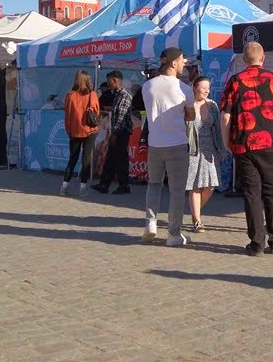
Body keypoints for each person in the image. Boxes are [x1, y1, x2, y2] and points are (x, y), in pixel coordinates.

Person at [221, 42, 273, 256]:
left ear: (244, 59)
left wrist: (226, 142)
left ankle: (257, 243)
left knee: (252, 194)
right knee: (272, 192)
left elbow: (225, 115)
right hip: (271, 144)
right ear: (264, 58)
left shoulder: (235, 81)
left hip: (244, 144)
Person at [139, 48, 195, 247]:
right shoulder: (184, 88)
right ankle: (173, 233)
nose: (184, 64)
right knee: (177, 191)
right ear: (172, 63)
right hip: (177, 143)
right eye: (181, 61)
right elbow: (191, 116)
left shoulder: (148, 86)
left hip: (155, 143)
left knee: (153, 184)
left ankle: (151, 222)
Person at [187, 75, 226, 233]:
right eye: (203, 87)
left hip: (210, 148)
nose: (206, 90)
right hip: (192, 149)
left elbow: (217, 128)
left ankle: (195, 211)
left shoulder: (212, 105)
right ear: (195, 87)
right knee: (195, 186)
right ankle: (197, 219)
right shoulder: (188, 104)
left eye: (208, 88)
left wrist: (221, 149)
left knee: (210, 186)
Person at [60, 70, 100, 197]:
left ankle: (64, 186)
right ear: (87, 80)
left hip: (74, 131)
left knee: (72, 159)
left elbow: (67, 115)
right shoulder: (92, 95)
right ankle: (83, 188)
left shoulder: (70, 95)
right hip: (89, 130)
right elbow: (96, 112)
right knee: (86, 159)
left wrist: (69, 130)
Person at [92, 71, 133, 195]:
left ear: (115, 80)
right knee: (111, 158)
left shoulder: (124, 95)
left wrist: (114, 133)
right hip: (116, 131)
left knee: (120, 159)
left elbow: (121, 116)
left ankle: (123, 185)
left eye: (110, 81)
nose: (109, 85)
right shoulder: (117, 95)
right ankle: (104, 184)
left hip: (121, 131)